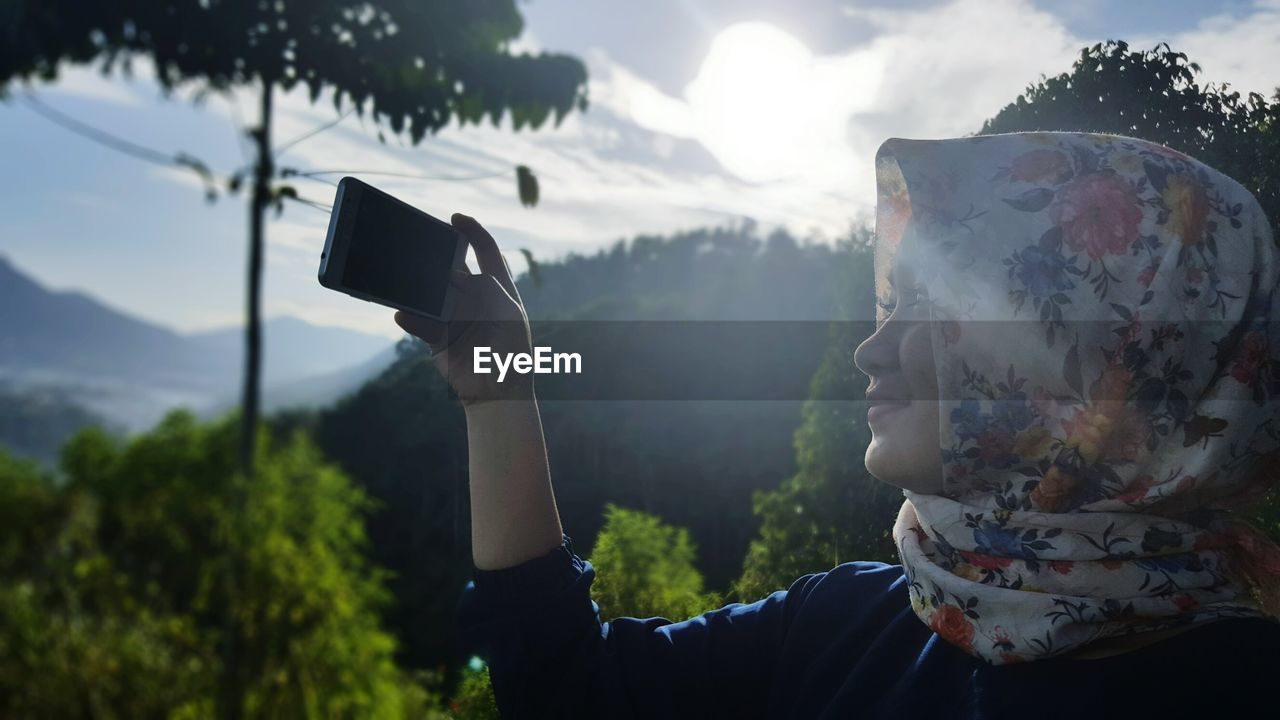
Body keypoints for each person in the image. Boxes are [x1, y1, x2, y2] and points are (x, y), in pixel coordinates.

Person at [394, 132, 1280, 719]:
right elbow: (566, 693)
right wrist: (501, 387)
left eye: (944, 316)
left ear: (1112, 358)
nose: (871, 351)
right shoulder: (852, 622)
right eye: (891, 302)